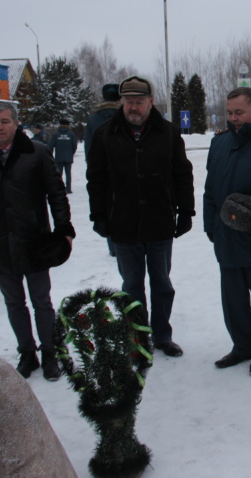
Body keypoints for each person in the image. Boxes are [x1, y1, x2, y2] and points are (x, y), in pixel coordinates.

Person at [0, 100, 75, 381]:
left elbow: (56, 194)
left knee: (41, 301)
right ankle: (27, 353)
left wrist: (64, 230)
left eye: (4, 121)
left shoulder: (36, 153)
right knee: (14, 303)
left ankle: (50, 351)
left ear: (15, 123)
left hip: (35, 240)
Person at [86, 76, 195, 358]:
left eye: (139, 101)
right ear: (121, 102)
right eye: (128, 101)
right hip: (123, 224)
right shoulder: (105, 134)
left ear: (151, 101)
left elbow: (182, 174)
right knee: (131, 286)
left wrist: (185, 211)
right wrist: (99, 214)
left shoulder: (169, 133)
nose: (133, 107)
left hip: (159, 222)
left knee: (161, 283)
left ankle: (162, 336)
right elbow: (95, 178)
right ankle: (137, 337)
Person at [204, 87, 251, 377]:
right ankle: (241, 346)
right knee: (232, 298)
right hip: (226, 236)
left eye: (240, 112)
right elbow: (210, 190)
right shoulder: (220, 143)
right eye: (230, 112)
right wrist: (211, 227)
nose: (234, 118)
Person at [85, 83, 122, 257]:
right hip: (123, 168)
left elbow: (88, 147)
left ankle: (112, 246)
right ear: (119, 98)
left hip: (101, 169)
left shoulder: (93, 119)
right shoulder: (125, 115)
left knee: (107, 206)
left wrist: (92, 167)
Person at [85, 83, 122, 158]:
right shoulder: (126, 117)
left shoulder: (92, 118)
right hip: (121, 165)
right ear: (119, 99)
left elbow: (88, 145)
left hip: (97, 164)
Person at [50, 119, 78, 193]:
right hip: (68, 157)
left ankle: (60, 188)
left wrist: (50, 155)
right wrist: (71, 153)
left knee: (59, 173)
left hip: (59, 156)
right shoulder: (71, 134)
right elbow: (74, 145)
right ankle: (68, 189)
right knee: (68, 173)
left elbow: (51, 145)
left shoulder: (56, 134)